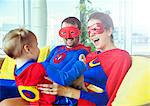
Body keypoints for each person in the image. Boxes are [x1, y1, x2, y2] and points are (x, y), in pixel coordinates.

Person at [38, 12, 132, 106]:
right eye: (89, 31)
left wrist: (66, 91)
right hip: (59, 97)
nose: (91, 34)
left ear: (109, 31)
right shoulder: (90, 56)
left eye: (95, 29)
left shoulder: (120, 57)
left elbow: (108, 99)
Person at [1, 28, 87, 106]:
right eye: (36, 46)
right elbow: (64, 79)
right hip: (56, 102)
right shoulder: (41, 67)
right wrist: (80, 65)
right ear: (27, 49)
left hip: (35, 102)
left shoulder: (16, 71)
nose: (38, 49)